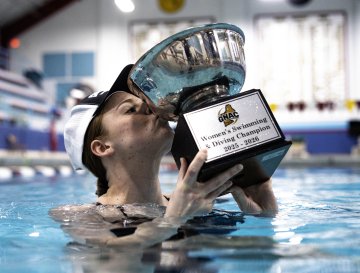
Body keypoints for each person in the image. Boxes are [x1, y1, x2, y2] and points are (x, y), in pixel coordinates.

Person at [52, 64, 278, 248]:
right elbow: (113, 263)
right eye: (130, 110)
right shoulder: (82, 217)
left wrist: (265, 218)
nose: (153, 109)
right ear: (102, 147)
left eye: (146, 105)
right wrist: (173, 220)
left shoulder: (199, 199)